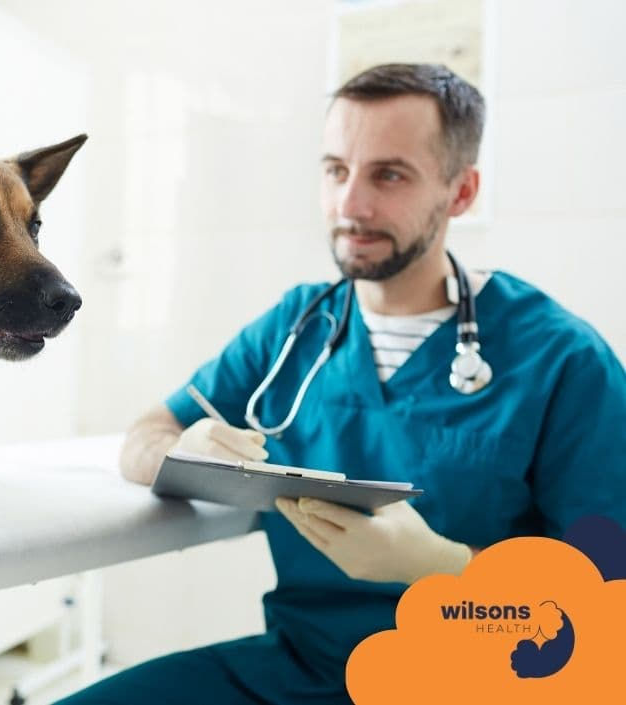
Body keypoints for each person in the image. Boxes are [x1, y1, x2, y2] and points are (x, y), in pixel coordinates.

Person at [55, 63, 626, 704]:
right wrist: (182, 451)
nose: (350, 205)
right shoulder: (296, 328)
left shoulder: (560, 358)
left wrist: (442, 566)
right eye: (336, 170)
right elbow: (145, 435)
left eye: (389, 175)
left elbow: (605, 615)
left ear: (461, 192)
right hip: (303, 671)